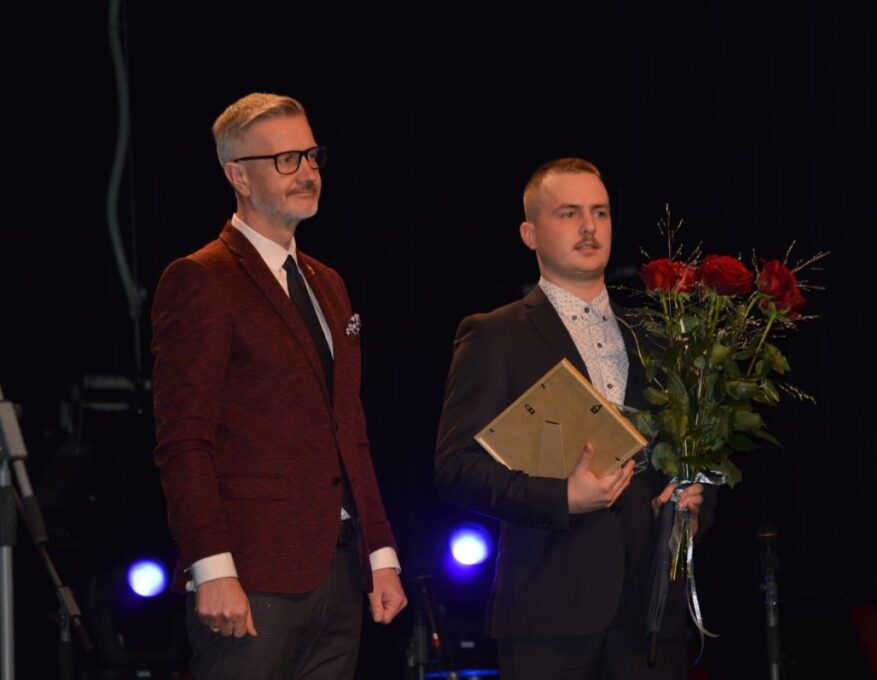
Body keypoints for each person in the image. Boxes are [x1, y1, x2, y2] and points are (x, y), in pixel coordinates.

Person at [151, 92, 406, 679]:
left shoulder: (326, 282)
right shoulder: (202, 278)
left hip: (338, 572)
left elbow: (350, 429)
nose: (308, 172)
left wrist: (380, 553)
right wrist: (212, 568)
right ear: (238, 175)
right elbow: (183, 441)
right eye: (286, 160)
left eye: (312, 156)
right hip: (253, 574)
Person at [435, 158, 713, 679]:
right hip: (549, 612)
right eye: (569, 213)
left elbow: (691, 451)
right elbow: (456, 468)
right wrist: (561, 497)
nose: (589, 227)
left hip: (651, 613)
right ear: (530, 234)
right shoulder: (495, 334)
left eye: (600, 212)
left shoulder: (657, 335)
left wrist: (695, 504)